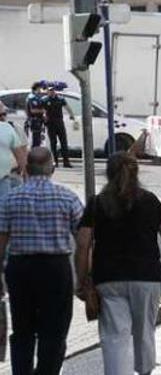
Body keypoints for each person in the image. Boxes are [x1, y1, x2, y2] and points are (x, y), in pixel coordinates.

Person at [75, 152, 161, 375]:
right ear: (136, 173)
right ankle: (144, 371)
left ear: (108, 174)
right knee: (144, 333)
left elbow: (83, 244)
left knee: (114, 336)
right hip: (147, 277)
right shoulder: (150, 200)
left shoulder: (97, 204)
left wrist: (81, 280)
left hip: (108, 279)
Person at [0, 147, 84, 375]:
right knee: (54, 331)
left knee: (22, 329)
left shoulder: (10, 199)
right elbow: (84, 240)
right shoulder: (68, 198)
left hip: (20, 269)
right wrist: (84, 275)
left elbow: (1, 241)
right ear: (52, 168)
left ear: (26, 167)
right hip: (55, 269)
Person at [0, 102, 28, 201]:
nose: (3, 117)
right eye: (0, 115)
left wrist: (25, 177)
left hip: (11, 176)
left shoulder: (13, 128)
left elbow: (23, 156)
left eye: (4, 114)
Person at [43, 87, 76, 168]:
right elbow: (43, 110)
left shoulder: (60, 99)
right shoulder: (45, 100)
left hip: (59, 123)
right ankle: (55, 162)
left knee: (64, 142)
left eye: (53, 90)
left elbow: (67, 107)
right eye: (50, 91)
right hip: (50, 123)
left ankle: (66, 162)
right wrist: (44, 117)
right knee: (53, 143)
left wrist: (71, 115)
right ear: (48, 92)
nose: (52, 92)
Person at [25, 82, 46, 148]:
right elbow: (33, 110)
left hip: (38, 121)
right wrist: (44, 111)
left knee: (38, 141)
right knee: (35, 141)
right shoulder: (32, 97)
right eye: (40, 88)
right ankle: (34, 156)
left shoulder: (36, 97)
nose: (41, 90)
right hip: (34, 121)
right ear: (36, 88)